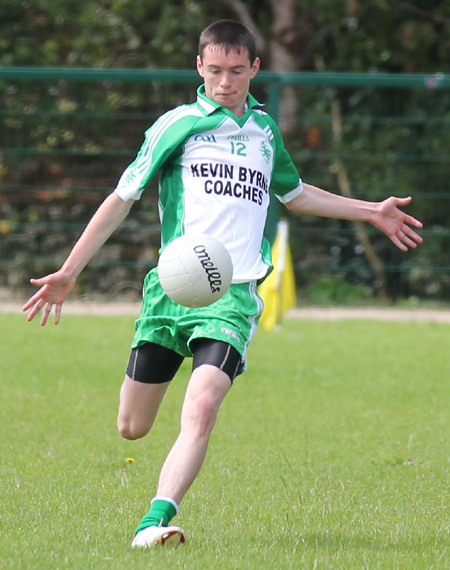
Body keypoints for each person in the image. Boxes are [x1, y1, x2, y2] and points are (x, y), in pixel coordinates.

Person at [22, 20, 423, 548]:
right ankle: (152, 489)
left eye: (237, 71)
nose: (225, 81)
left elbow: (296, 194)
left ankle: (154, 521)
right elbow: (123, 197)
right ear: (199, 68)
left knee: (204, 402)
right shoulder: (178, 124)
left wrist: (372, 211)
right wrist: (70, 272)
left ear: (256, 68)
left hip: (233, 293)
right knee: (131, 427)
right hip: (170, 292)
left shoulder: (263, 132)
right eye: (214, 70)